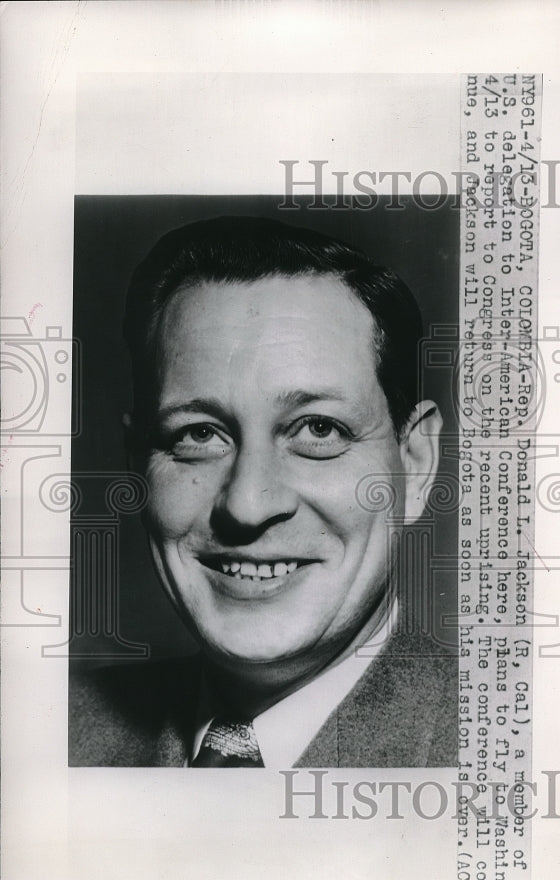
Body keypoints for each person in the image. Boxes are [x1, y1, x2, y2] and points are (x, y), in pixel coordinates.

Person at [69, 215, 457, 768]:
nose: (247, 504)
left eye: (319, 429)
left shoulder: (514, 755)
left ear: (415, 464)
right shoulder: (42, 738)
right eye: (199, 434)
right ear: (137, 465)